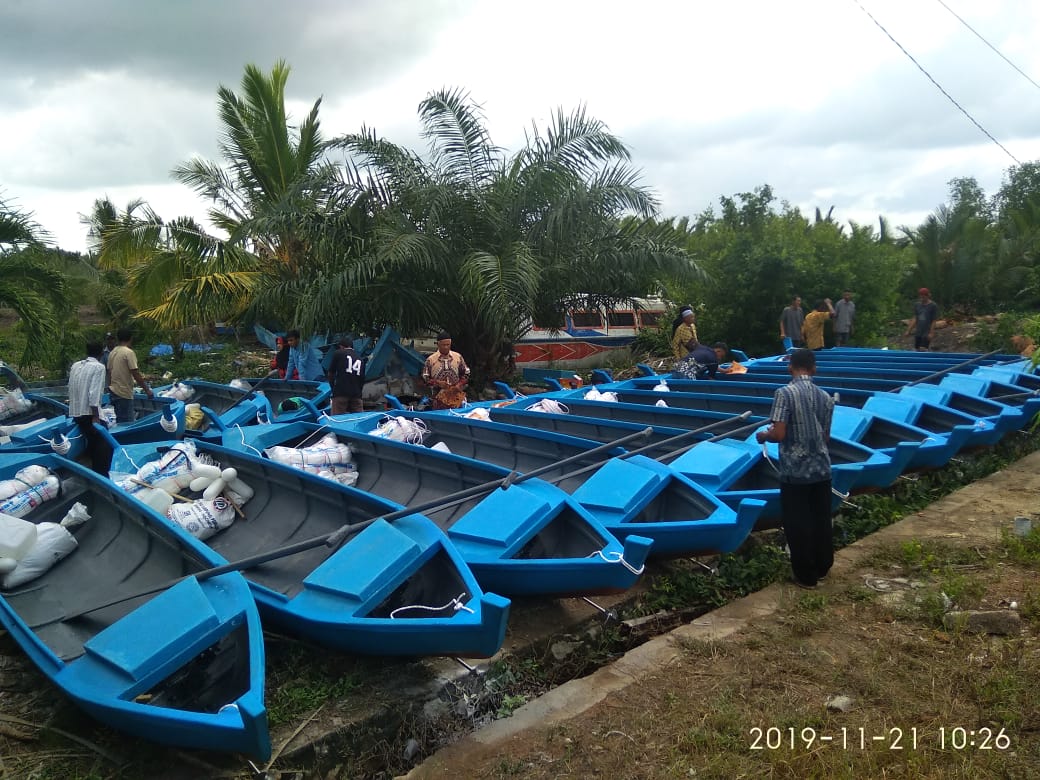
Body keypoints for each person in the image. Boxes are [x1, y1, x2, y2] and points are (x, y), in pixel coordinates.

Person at [755, 348, 835, 589]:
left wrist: (763, 436)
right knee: (821, 518)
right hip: (822, 468)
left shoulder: (784, 393)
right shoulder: (826, 397)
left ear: (790, 367)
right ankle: (823, 566)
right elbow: (826, 437)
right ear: (814, 369)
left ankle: (806, 576)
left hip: (795, 471)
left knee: (797, 522)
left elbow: (779, 433)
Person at [68, 341, 112, 474]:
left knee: (93, 443)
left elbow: (71, 387)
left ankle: (91, 467)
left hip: (76, 413)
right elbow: (94, 394)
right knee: (105, 446)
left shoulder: (76, 365)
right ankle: (102, 476)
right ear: (101, 353)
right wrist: (96, 417)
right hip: (89, 413)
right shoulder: (98, 367)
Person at [107, 328, 153, 423]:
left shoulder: (112, 352)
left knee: (120, 421)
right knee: (127, 423)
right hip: (124, 393)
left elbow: (109, 372)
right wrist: (147, 390)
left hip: (113, 391)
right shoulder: (128, 352)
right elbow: (135, 373)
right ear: (130, 339)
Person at [422, 331, 470, 409]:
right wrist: (438, 383)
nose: (446, 347)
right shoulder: (430, 360)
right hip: (438, 398)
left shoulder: (458, 357)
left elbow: (466, 373)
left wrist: (459, 384)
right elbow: (425, 378)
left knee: (457, 417)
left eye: (448, 345)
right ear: (438, 344)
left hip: (456, 396)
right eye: (443, 345)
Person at [328, 338, 367, 414]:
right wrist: (358, 393)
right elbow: (362, 379)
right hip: (356, 395)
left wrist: (333, 388)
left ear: (341, 346)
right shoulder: (360, 359)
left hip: (340, 393)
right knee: (358, 419)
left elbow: (330, 374)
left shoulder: (338, 353)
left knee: (337, 420)